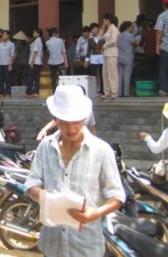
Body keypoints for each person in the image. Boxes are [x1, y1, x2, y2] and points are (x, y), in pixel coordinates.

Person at [25, 85, 125, 257]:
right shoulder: (45, 146)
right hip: (52, 244)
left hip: (86, 246)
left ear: (84, 118)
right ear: (55, 119)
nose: (71, 129)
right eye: (64, 123)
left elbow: (117, 195)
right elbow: (31, 183)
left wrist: (95, 213)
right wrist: (45, 197)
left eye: (76, 122)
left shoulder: (102, 150)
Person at [101, 13, 120, 99]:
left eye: (104, 20)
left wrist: (104, 45)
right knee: (105, 73)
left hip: (112, 52)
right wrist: (102, 28)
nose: (103, 22)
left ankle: (114, 91)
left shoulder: (114, 28)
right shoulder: (108, 29)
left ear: (108, 20)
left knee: (112, 73)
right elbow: (100, 38)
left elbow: (113, 40)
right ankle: (107, 91)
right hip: (106, 53)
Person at [85, 23, 105, 95]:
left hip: (102, 57)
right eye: (91, 29)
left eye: (94, 29)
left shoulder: (102, 38)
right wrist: (86, 61)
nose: (92, 31)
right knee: (93, 75)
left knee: (102, 74)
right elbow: (88, 50)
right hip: (93, 58)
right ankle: (93, 90)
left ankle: (103, 90)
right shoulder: (90, 39)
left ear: (98, 29)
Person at [46, 28, 68, 92]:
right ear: (54, 34)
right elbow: (63, 51)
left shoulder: (47, 42)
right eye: (57, 33)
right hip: (60, 61)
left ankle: (54, 92)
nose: (58, 35)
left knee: (53, 79)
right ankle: (64, 91)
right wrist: (66, 61)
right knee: (63, 78)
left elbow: (48, 52)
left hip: (51, 62)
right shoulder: (60, 41)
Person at [117, 21, 136, 97]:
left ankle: (119, 92)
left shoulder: (119, 35)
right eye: (132, 27)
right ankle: (126, 93)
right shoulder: (130, 35)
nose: (133, 29)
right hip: (128, 57)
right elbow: (135, 44)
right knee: (127, 75)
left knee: (120, 75)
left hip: (119, 57)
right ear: (128, 27)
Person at [0, 30, 15, 97]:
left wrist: (10, 64)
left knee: (7, 79)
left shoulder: (11, 44)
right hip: (0, 63)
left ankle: (8, 93)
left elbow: (12, 55)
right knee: (0, 79)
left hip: (7, 63)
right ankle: (1, 93)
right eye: (2, 35)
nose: (3, 36)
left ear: (8, 35)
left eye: (4, 35)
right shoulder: (0, 44)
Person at [25, 28, 44, 97]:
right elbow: (41, 52)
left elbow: (35, 51)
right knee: (36, 78)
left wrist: (32, 61)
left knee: (30, 77)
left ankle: (28, 92)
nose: (33, 34)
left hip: (35, 62)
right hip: (38, 62)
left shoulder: (37, 41)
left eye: (34, 32)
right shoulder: (39, 40)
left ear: (38, 34)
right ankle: (35, 92)